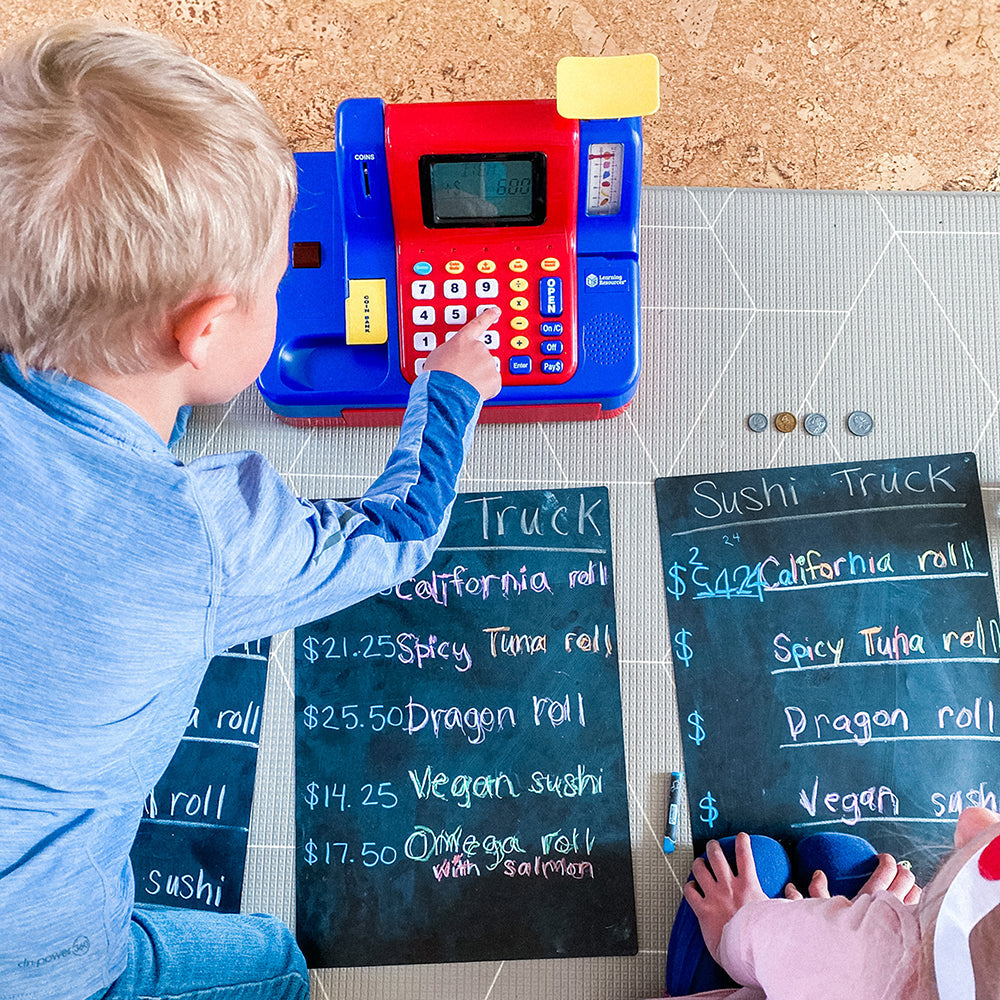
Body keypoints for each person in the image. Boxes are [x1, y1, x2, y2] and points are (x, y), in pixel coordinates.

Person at [0, 20, 501, 1000]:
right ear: (206, 328)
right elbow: (396, 536)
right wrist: (450, 388)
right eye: (277, 281)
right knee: (270, 959)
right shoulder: (202, 537)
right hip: (45, 962)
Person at [669, 807, 1000, 999]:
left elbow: (748, 936)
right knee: (847, 862)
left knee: (754, 857)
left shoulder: (860, 950)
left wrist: (839, 938)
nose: (972, 820)